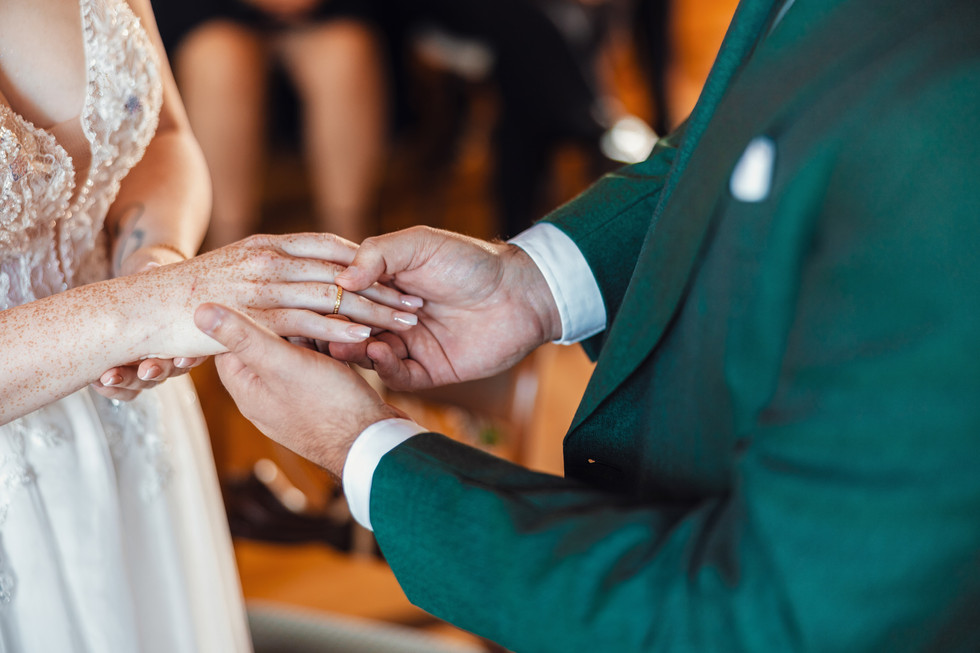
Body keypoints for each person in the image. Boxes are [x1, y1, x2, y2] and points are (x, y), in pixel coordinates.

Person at [196, 0, 980, 650]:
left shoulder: (950, 127)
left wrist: (370, 453)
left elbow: (758, 620)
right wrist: (530, 283)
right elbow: (724, 146)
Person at [0, 1, 417, 650]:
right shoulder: (144, 310)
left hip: (138, 416)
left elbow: (163, 135)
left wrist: (154, 259)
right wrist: (148, 306)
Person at [152, 0, 388, 247]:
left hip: (324, 15)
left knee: (347, 51)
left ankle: (350, 237)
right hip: (213, 13)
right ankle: (229, 243)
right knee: (220, 60)